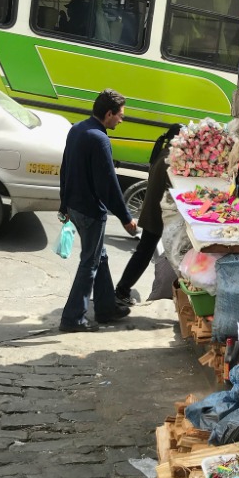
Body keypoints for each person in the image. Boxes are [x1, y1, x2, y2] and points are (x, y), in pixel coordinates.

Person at [59, 89, 138, 332]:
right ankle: (72, 319)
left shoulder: (78, 129)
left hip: (75, 207)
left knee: (99, 256)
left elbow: (65, 168)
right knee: (89, 264)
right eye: (120, 115)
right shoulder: (99, 139)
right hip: (91, 212)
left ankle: (105, 309)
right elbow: (109, 185)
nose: (122, 120)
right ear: (108, 114)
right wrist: (126, 218)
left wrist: (64, 204)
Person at [115, 123, 180, 309]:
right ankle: (122, 290)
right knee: (144, 253)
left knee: (144, 252)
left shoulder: (163, 153)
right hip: (157, 215)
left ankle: (123, 288)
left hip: (153, 211)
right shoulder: (170, 158)